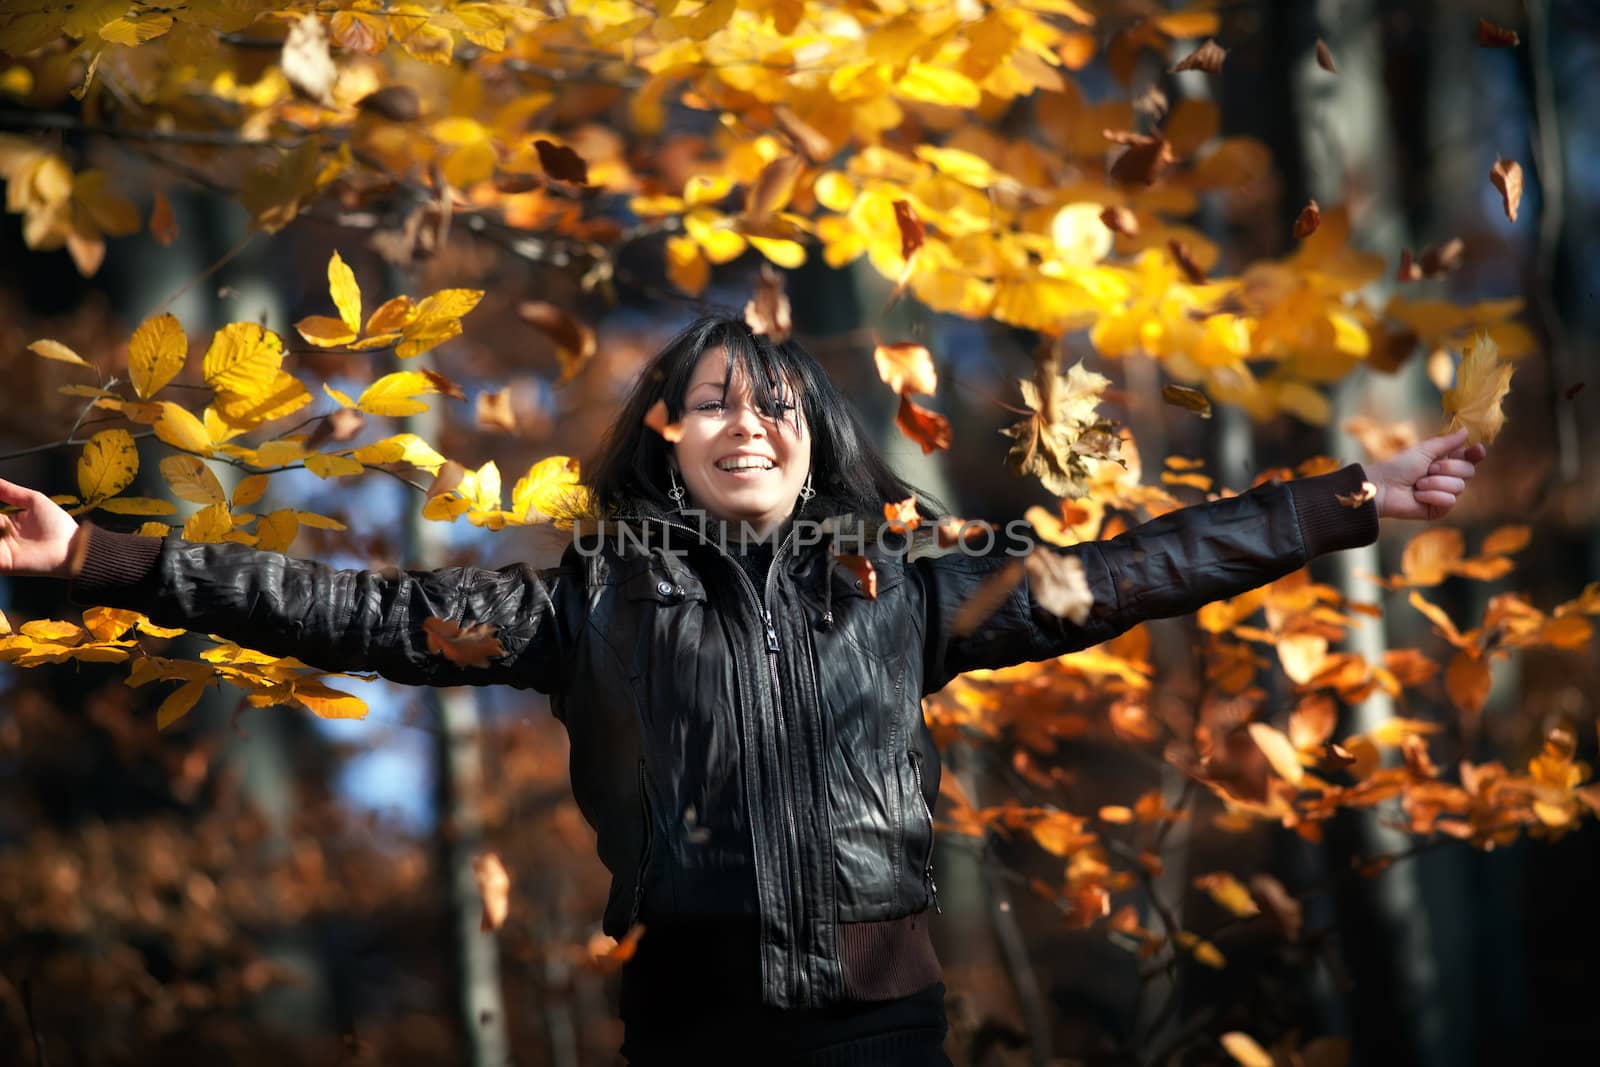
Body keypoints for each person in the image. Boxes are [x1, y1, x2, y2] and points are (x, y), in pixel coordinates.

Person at [0, 313, 1486, 1064]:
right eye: (708, 402)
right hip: (689, 1024)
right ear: (663, 440)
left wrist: (1356, 496)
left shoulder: (909, 581)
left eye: (766, 400)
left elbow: (1136, 567)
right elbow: (355, 607)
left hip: (880, 1026)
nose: (742, 420)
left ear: (808, 430)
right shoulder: (579, 599)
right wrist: (102, 559)